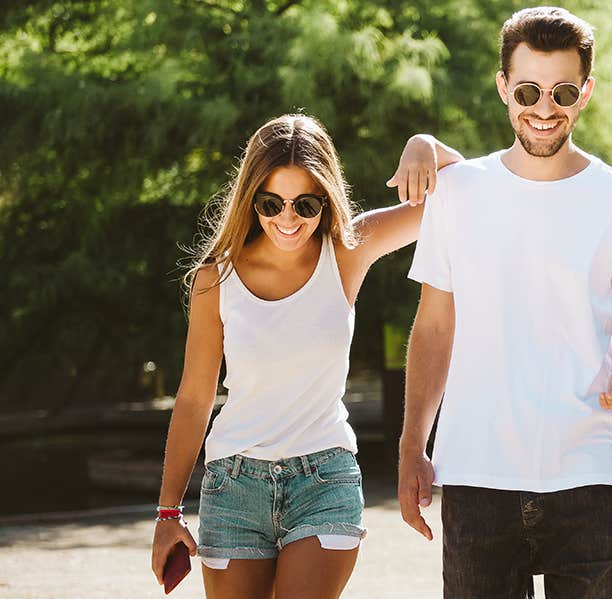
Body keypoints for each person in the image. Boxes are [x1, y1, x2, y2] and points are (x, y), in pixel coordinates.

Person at [398, 7, 612, 598]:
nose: (544, 108)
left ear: (586, 92)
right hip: (477, 472)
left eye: (562, 91)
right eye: (527, 89)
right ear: (503, 87)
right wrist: (412, 445)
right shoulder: (457, 193)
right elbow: (435, 328)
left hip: (593, 469)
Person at [150, 113, 462, 599]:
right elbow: (193, 399)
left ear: (327, 200)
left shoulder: (348, 251)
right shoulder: (215, 279)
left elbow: (467, 195)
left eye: (306, 204)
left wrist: (427, 146)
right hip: (233, 485)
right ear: (250, 198)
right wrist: (168, 513)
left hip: (325, 479)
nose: (288, 219)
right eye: (270, 203)